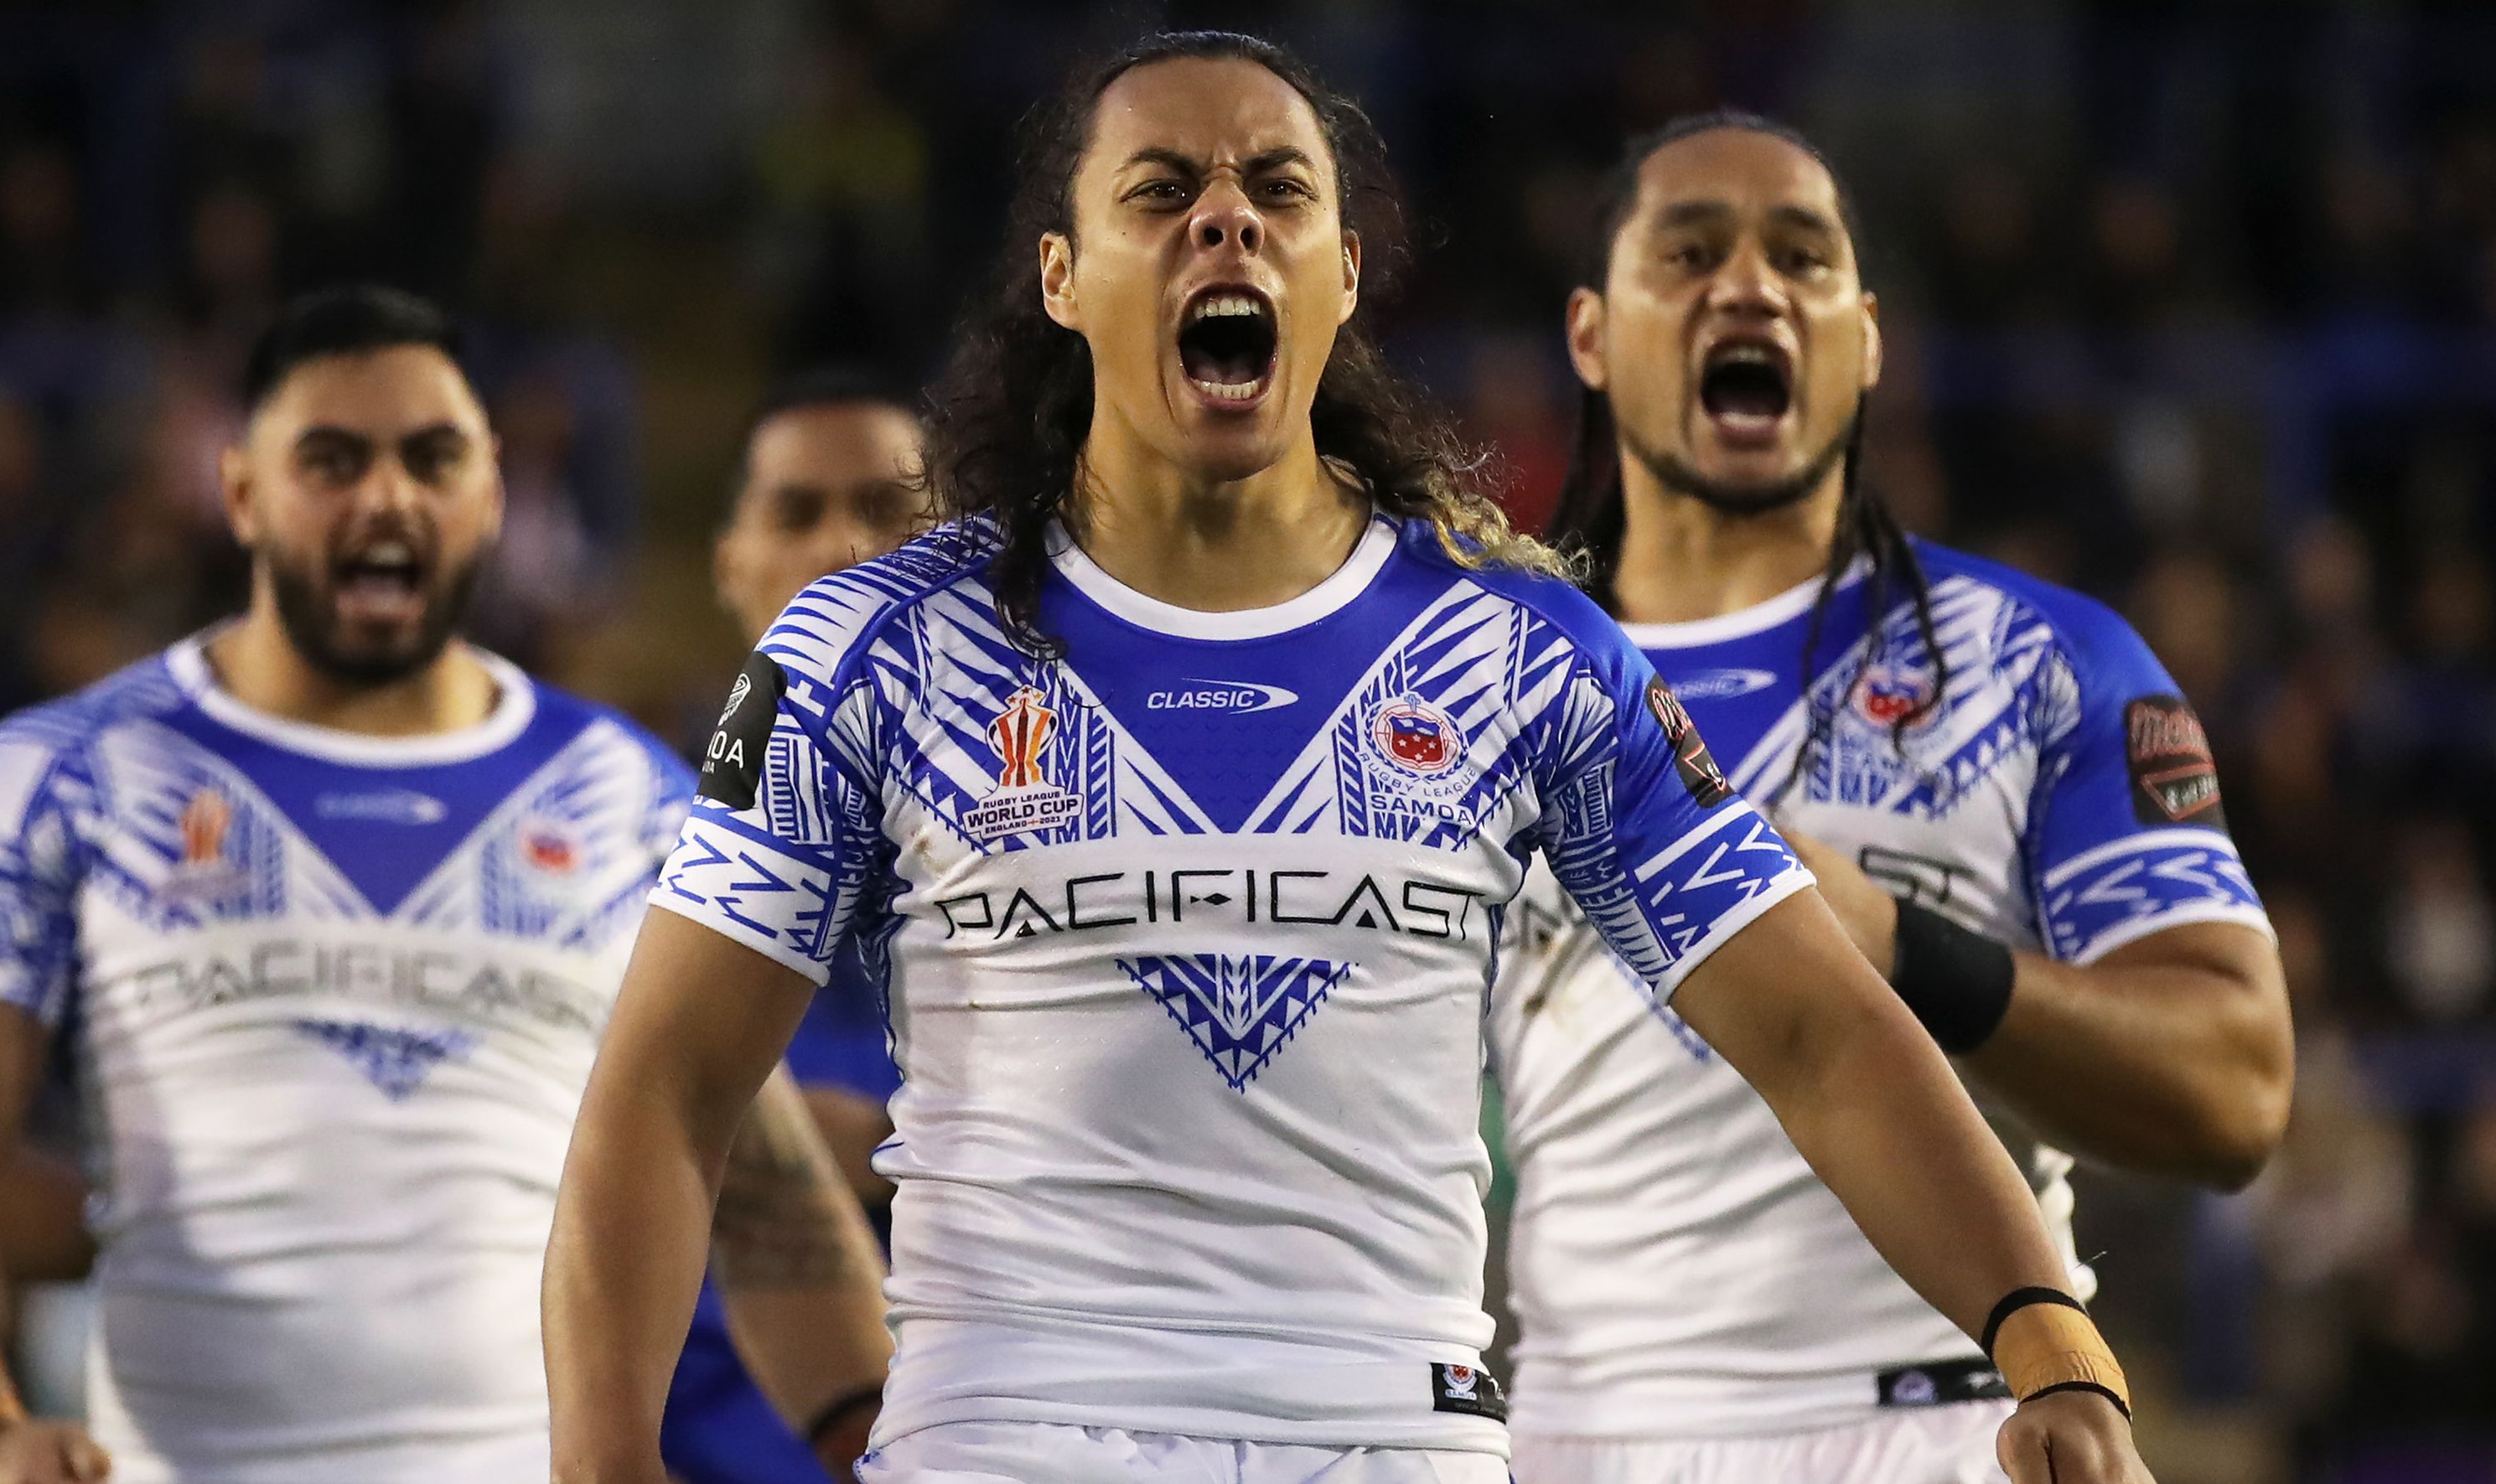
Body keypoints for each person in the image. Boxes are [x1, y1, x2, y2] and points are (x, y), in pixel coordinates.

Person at [544, 34, 2154, 1484]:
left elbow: (1820, 1031)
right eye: (1162, 190)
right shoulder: (879, 645)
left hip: (1400, 1433)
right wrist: (603, 1461)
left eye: (1275, 192)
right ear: (1062, 275)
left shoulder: (1525, 653)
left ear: (1344, 271)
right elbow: (669, 1093)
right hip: (1013, 1430)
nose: (1224, 223)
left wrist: (2046, 1335)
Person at [0, 286, 888, 1484]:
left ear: (493, 489)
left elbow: (756, 1189)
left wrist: (880, 1447)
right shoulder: (60, 777)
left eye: (431, 457)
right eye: (333, 461)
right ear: (242, 492)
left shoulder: (630, 795)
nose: (387, 496)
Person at [1487, 112, 2293, 1484]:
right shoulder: (1471, 680)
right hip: (1571, 1435)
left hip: (1962, 1423)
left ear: (1862, 342)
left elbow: (2236, 1090)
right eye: (1688, 253)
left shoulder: (2043, 662)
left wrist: (1915, 952)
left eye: (1802, 258)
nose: (1748, 287)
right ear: (1588, 334)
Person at [663, 373, 926, 1484]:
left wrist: (881, 1147)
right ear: (730, 564)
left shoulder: (1054, 852)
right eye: (798, 513)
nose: (843, 549)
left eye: (885, 511)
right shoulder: (628, 849)